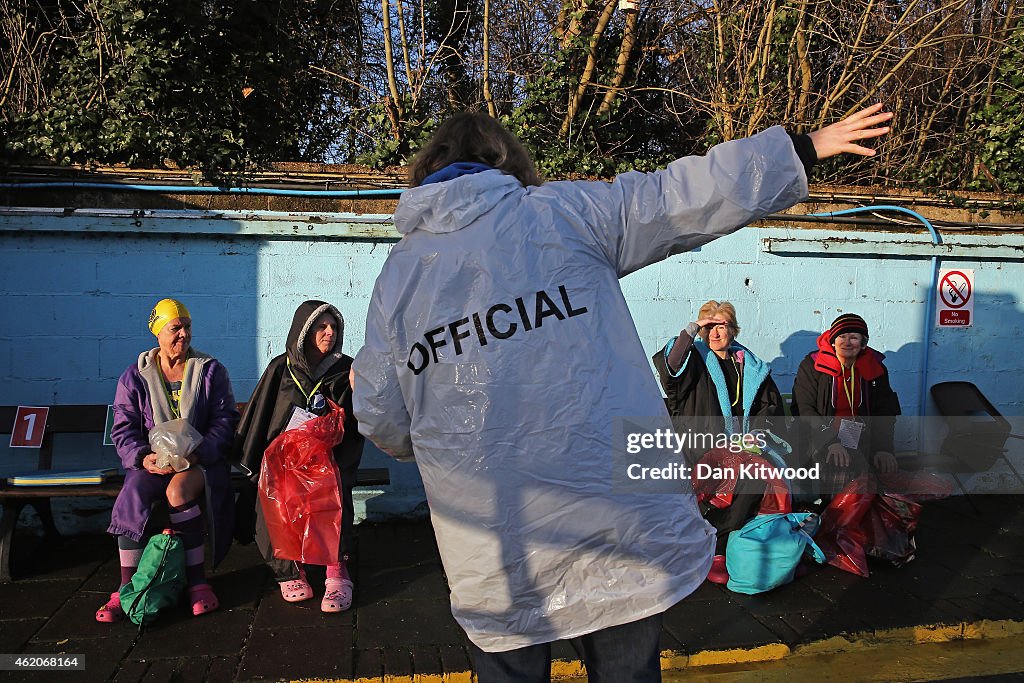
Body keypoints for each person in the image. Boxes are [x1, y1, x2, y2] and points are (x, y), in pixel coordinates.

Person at [353, 105, 892, 681]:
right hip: (613, 533)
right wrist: (800, 149)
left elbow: (383, 416)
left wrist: (425, 438)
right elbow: (679, 197)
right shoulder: (564, 214)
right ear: (506, 160)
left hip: (494, 548)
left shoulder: (400, 278)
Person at [97, 298, 238, 622]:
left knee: (177, 492)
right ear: (158, 333)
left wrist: (200, 451)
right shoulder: (135, 376)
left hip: (200, 460)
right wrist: (142, 457)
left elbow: (224, 420)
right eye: (175, 328)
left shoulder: (210, 371)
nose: (183, 335)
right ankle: (126, 587)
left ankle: (198, 582)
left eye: (187, 327)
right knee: (132, 493)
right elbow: (124, 426)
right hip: (154, 460)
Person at [234, 301, 364, 612]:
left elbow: (356, 420)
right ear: (304, 332)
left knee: (331, 486)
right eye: (321, 326)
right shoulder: (281, 368)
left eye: (333, 326)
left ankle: (336, 571)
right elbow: (263, 415)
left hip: (326, 460)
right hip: (285, 461)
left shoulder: (345, 371)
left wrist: (363, 385)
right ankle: (289, 570)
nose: (329, 332)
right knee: (273, 489)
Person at [652, 300, 786, 584]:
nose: (714, 333)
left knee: (759, 475)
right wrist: (691, 330)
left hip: (744, 447)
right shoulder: (695, 360)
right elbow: (671, 368)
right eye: (709, 326)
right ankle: (716, 548)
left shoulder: (749, 365)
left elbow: (770, 407)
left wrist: (757, 435)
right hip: (699, 445)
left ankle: (725, 543)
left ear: (733, 329)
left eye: (721, 325)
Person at [790, 313, 902, 496]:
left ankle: (861, 519)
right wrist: (831, 442)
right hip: (818, 437)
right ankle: (834, 517)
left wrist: (884, 448)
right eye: (842, 336)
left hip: (861, 437)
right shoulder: (812, 365)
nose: (847, 342)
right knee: (842, 466)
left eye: (854, 337)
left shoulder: (875, 369)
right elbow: (804, 409)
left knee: (885, 470)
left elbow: (885, 411)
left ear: (863, 343)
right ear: (833, 341)